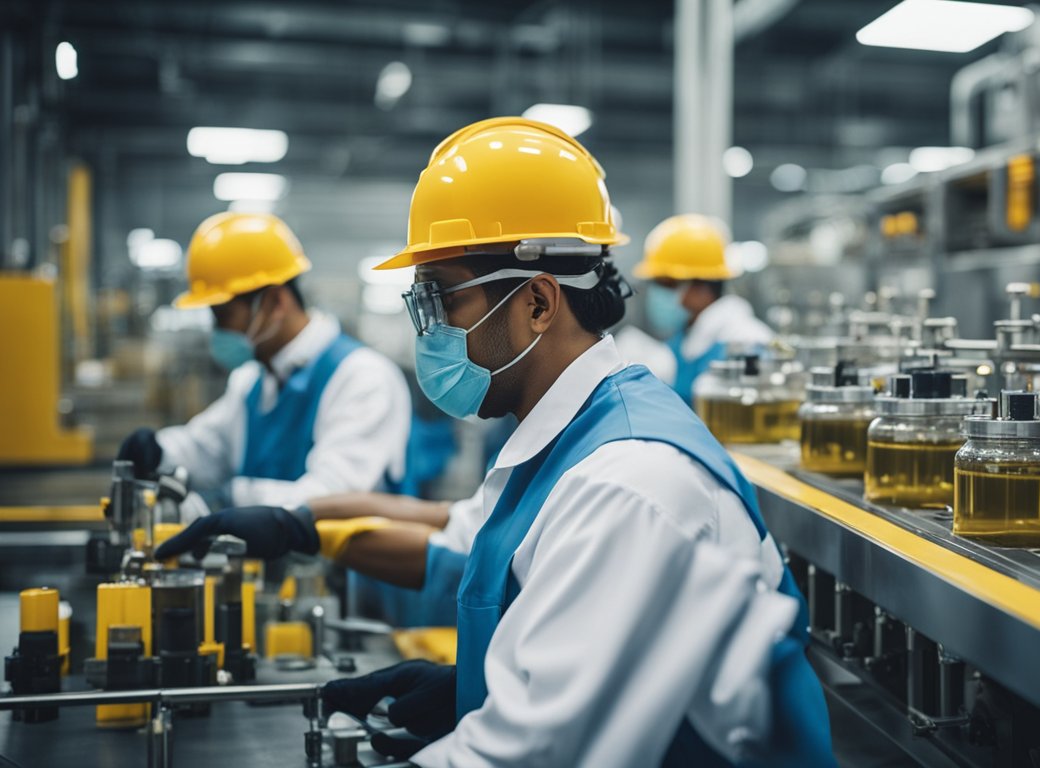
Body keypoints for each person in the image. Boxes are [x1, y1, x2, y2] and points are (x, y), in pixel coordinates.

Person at [157, 117, 834, 767]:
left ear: (538, 303)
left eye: (443, 301)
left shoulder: (627, 486)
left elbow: (525, 756)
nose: (429, 334)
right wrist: (299, 526)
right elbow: (457, 534)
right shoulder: (569, 432)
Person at [116, 212, 411, 514]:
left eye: (224, 315)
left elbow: (331, 497)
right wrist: (156, 452)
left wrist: (229, 497)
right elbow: (208, 447)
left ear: (275, 302)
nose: (218, 331)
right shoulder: (252, 381)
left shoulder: (362, 377)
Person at [627, 213, 774, 404]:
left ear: (701, 287)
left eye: (667, 284)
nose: (658, 294)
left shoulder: (748, 342)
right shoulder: (683, 341)